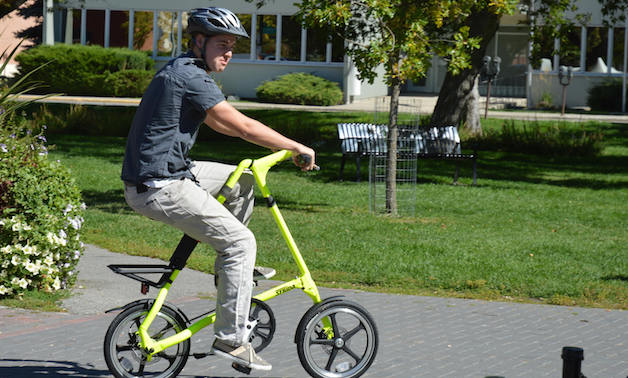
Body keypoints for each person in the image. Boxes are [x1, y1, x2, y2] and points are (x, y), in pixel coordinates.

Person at [121, 7, 316, 371]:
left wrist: (270, 145)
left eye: (232, 46)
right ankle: (231, 340)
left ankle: (229, 272)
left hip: (167, 173)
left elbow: (218, 122)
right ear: (199, 41)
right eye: (222, 44)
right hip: (160, 186)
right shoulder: (190, 76)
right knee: (242, 242)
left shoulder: (183, 70)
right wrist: (294, 146)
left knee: (240, 180)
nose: (228, 52)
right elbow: (239, 124)